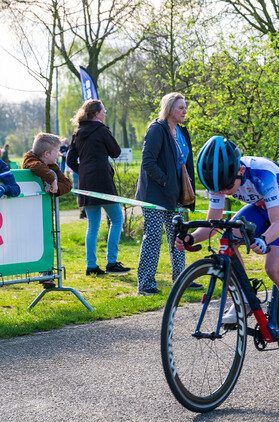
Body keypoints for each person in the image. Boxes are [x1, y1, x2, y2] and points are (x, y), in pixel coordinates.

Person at [175, 136, 279, 355]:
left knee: (273, 267)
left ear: (239, 171)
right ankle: (246, 298)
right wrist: (191, 238)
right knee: (227, 234)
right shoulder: (221, 180)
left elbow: (278, 223)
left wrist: (264, 240)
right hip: (259, 208)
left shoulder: (263, 174)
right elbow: (213, 224)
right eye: (217, 190)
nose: (223, 193)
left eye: (227, 187)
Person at [135, 92, 196, 295]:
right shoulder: (157, 129)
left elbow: (185, 162)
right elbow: (148, 162)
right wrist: (165, 180)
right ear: (169, 108)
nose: (184, 111)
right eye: (180, 107)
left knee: (179, 235)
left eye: (185, 107)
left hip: (175, 194)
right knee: (153, 237)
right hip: (154, 194)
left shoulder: (182, 131)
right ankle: (145, 284)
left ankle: (181, 278)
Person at [66, 99, 130, 276]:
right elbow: (116, 152)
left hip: (86, 184)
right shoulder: (101, 129)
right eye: (104, 110)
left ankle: (91, 265)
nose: (106, 113)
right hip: (103, 180)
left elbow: (69, 160)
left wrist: (84, 172)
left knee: (92, 226)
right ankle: (111, 261)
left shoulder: (78, 132)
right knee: (117, 219)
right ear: (96, 113)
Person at [21, 133, 72, 198]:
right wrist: (53, 181)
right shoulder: (30, 161)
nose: (58, 154)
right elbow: (37, 166)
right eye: (57, 151)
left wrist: (54, 187)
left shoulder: (52, 165)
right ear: (47, 154)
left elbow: (67, 184)